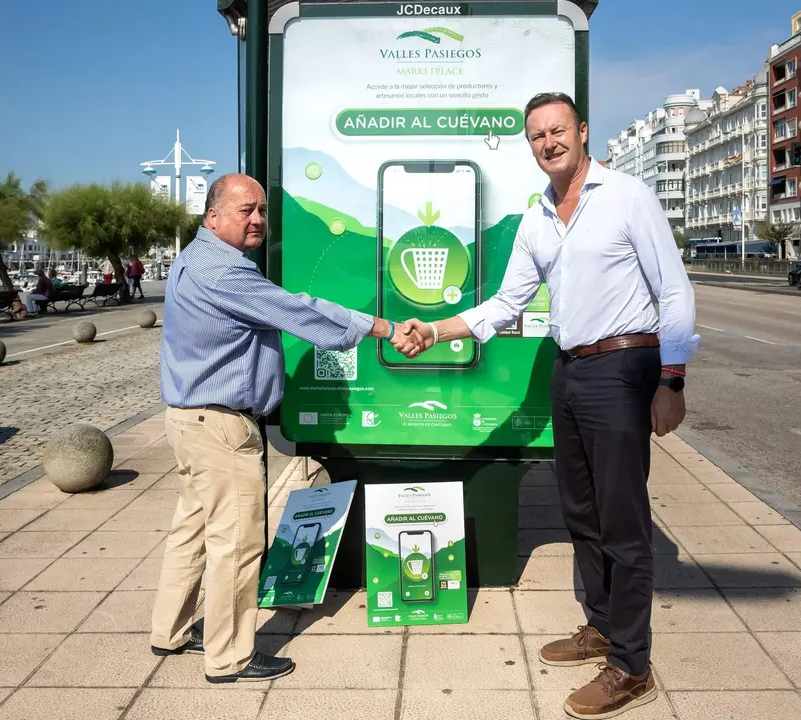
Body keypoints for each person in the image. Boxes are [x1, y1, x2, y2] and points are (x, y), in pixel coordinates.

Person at [402, 92, 699, 719]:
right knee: (581, 513)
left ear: (582, 131)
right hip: (569, 372)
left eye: (557, 130)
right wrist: (436, 329)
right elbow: (505, 303)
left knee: (623, 521)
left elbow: (673, 290)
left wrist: (672, 379)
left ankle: (631, 664)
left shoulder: (626, 196)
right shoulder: (536, 216)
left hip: (624, 366)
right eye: (537, 136)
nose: (548, 143)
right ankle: (600, 626)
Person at [153, 173, 422, 684]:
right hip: (220, 428)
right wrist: (384, 327)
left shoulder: (192, 257)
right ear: (213, 217)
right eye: (244, 211)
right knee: (236, 542)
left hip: (188, 422)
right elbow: (299, 311)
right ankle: (228, 657)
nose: (257, 220)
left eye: (261, 210)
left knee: (191, 530)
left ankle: (171, 629)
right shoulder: (224, 271)